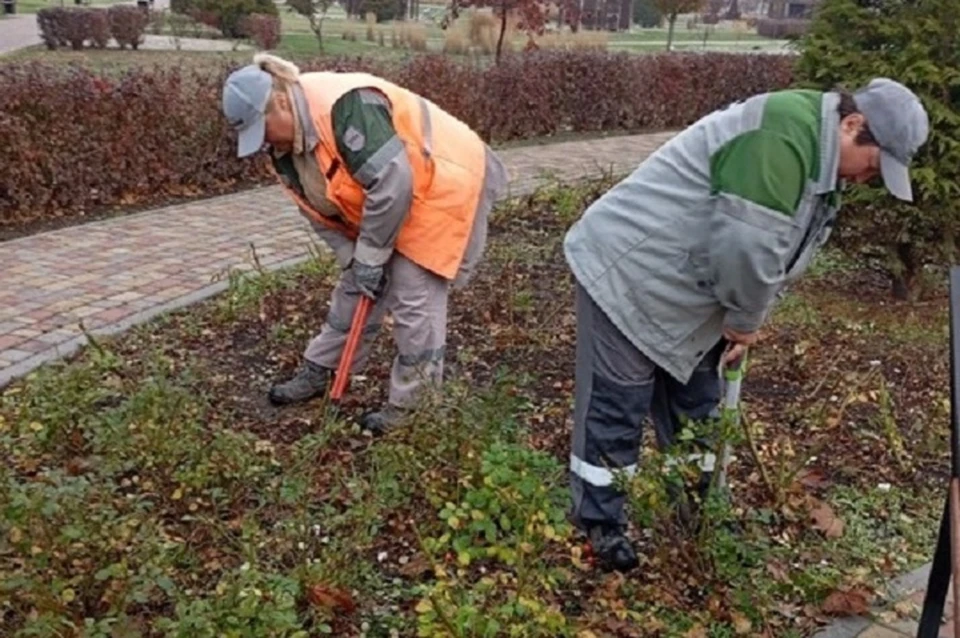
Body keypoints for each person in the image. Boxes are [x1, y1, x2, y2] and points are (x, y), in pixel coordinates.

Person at [563, 78, 929, 571]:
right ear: (852, 124)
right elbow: (747, 245)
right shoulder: (780, 136)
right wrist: (744, 319)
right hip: (628, 272)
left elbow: (776, 251)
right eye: (874, 164)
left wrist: (743, 320)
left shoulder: (820, 154)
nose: (869, 179)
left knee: (697, 409)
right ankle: (599, 527)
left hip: (689, 291)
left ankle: (700, 515)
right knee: (617, 405)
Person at [221, 54, 507, 432]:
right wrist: (357, 260)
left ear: (281, 102)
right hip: (393, 196)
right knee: (356, 285)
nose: (263, 142)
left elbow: (393, 180)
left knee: (413, 293)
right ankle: (321, 369)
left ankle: (414, 408)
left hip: (445, 181)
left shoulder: (345, 107)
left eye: (263, 128)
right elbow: (318, 213)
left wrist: (372, 256)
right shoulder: (285, 151)